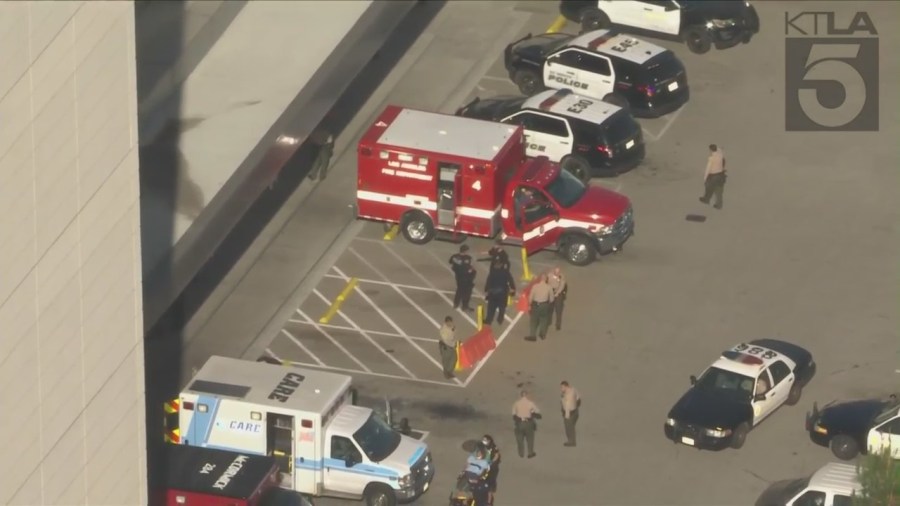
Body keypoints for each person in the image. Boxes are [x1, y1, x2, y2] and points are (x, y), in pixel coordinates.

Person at [483, 258, 516, 326]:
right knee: (502, 307)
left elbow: (488, 281)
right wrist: (513, 289)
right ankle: (500, 320)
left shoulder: (492, 272)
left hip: (493, 293)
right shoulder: (505, 272)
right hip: (502, 293)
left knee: (491, 308)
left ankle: (489, 320)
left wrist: (486, 290)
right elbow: (510, 281)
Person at [511, 390, 540, 458]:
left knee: (519, 439)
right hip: (528, 423)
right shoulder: (530, 403)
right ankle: (530, 452)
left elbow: (513, 413)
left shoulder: (516, 403)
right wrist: (532, 412)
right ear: (526, 395)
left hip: (519, 423)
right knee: (530, 438)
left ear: (521, 396)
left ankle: (521, 453)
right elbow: (537, 411)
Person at [526, 274, 554, 341]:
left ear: (540, 279)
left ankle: (532, 336)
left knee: (533, 320)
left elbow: (530, 297)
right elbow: (552, 299)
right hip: (544, 305)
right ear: (546, 279)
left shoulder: (535, 286)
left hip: (535, 305)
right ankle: (542, 334)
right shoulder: (549, 287)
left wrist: (529, 305)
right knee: (544, 320)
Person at [699, 144, 726, 209]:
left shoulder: (711, 158)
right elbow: (719, 150)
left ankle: (706, 199)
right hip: (720, 175)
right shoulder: (720, 155)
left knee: (708, 187)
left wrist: (705, 178)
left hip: (713, 176)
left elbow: (708, 169)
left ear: (710, 150)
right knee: (719, 191)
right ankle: (719, 205)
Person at [449, 245, 476, 311]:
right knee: (467, 292)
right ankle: (465, 306)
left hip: (458, 276)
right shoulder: (468, 258)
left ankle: (456, 304)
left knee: (459, 290)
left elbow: (450, 263)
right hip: (466, 277)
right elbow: (470, 267)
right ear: (466, 251)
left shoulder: (454, 256)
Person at [481, 435, 501, 505]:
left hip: (493, 467)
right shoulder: (483, 447)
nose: (483, 441)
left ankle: (490, 493)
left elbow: (497, 455)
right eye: (483, 439)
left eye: (485, 440)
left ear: (489, 440)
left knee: (491, 480)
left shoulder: (493, 447)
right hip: (485, 465)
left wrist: (491, 462)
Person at [560, 381, 581, 447]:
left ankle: (571, 442)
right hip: (575, 412)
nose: (561, 389)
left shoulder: (567, 397)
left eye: (562, 387)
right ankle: (572, 440)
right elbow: (578, 398)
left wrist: (566, 417)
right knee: (572, 426)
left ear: (566, 386)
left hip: (570, 413)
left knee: (569, 428)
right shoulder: (573, 389)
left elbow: (567, 407)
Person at [547, 267, 567, 331]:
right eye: (556, 272)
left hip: (558, 293)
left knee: (558, 310)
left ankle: (558, 325)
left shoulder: (561, 277)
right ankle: (549, 321)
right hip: (551, 292)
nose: (557, 273)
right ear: (554, 272)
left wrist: (557, 293)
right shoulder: (549, 275)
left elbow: (562, 285)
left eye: (558, 272)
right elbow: (547, 283)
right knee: (549, 308)